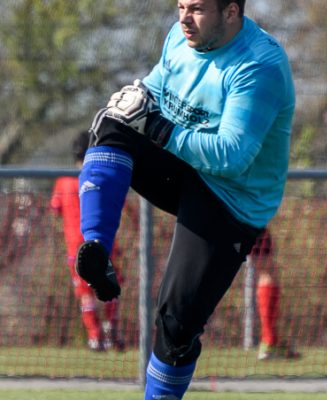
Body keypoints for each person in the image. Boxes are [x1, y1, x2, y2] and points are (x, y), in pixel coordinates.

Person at [76, 0, 295, 398]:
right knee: (114, 123)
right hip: (186, 166)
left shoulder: (258, 66)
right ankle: (96, 248)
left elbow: (232, 156)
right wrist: (137, 97)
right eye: (180, 6)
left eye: (196, 9)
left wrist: (159, 130)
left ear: (231, 13)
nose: (182, 18)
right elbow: (157, 88)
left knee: (177, 318)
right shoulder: (180, 37)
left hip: (231, 198)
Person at [50, 131, 125, 351]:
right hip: (104, 245)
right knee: (110, 289)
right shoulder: (100, 174)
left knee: (86, 296)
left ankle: (95, 338)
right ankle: (111, 332)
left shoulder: (63, 182)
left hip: (76, 249)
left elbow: (55, 209)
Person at [250, 229, 300, 360]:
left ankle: (271, 341)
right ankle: (269, 342)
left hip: (240, 219)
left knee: (267, 271)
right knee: (268, 272)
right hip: (246, 219)